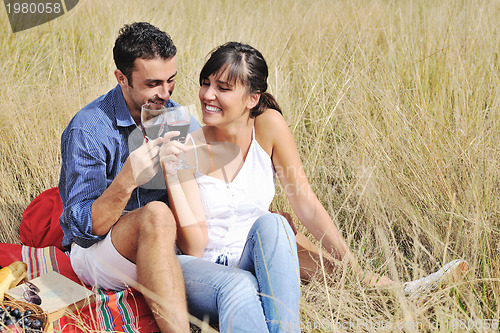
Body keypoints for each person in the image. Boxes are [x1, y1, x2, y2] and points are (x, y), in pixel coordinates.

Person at [159, 41, 468, 331]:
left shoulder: (268, 126)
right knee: (242, 285)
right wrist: (172, 173)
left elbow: (304, 202)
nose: (207, 95)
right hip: (202, 270)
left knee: (275, 224)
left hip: (252, 260)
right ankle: (392, 290)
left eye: (222, 88)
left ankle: (392, 290)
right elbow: (192, 246)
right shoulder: (185, 146)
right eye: (205, 83)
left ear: (252, 99)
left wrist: (351, 262)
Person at [58, 22, 202, 332]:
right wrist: (126, 180)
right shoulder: (88, 129)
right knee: (156, 215)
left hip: (163, 248)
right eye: (153, 84)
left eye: (171, 80)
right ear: (122, 78)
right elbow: (83, 231)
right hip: (96, 252)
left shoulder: (176, 117)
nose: (165, 94)